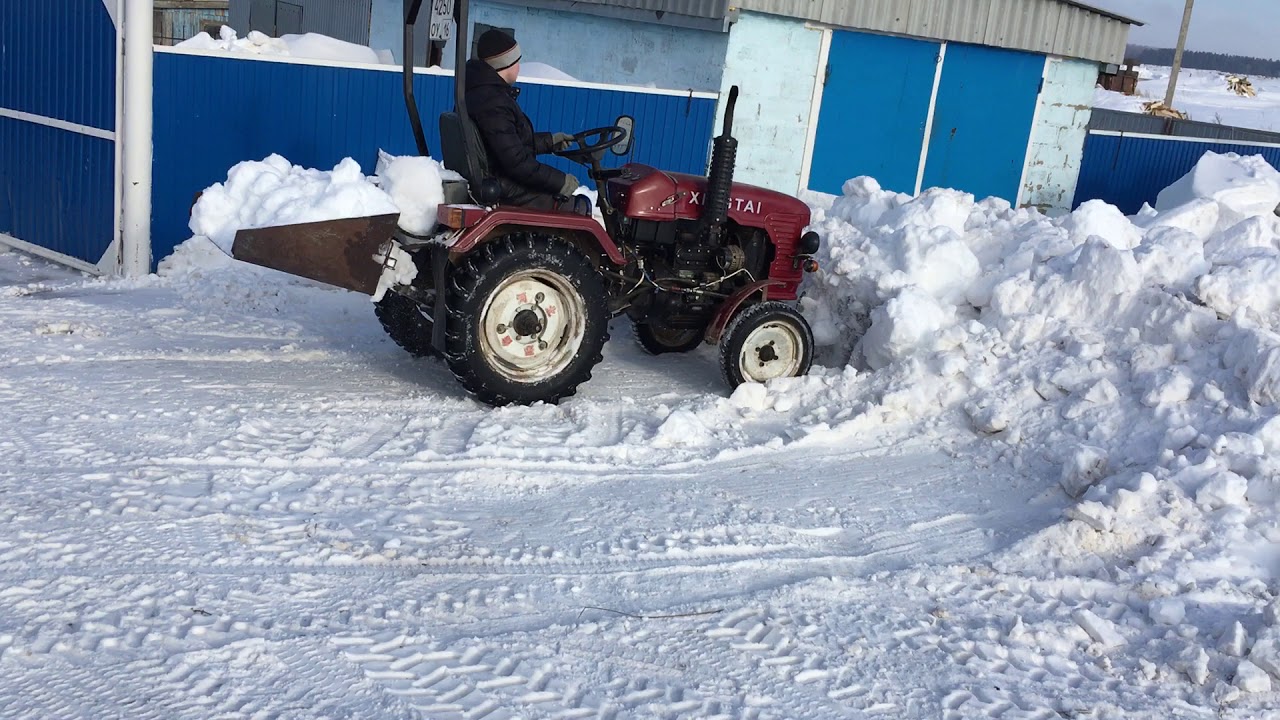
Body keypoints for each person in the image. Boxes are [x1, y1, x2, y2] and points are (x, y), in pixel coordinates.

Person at [464, 29, 580, 211]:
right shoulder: (493, 103)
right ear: (505, 64)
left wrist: (549, 142)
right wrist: (560, 181)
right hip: (504, 186)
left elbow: (502, 144)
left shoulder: (481, 94)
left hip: (497, 179)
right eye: (516, 61)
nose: (519, 66)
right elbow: (516, 162)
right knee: (578, 207)